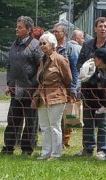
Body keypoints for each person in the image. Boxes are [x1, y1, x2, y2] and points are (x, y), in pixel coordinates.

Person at [1, 16, 42, 156]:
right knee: (12, 119)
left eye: (20, 27)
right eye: (17, 27)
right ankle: (8, 147)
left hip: (30, 90)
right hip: (15, 89)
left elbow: (41, 67)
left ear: (28, 29)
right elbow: (9, 66)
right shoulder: (14, 44)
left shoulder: (36, 45)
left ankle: (26, 149)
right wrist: (9, 83)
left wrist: (33, 85)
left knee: (30, 120)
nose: (17, 29)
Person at [76, 16, 106, 156]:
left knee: (103, 121)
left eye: (105, 26)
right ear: (95, 29)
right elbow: (78, 63)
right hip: (88, 88)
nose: (103, 29)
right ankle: (88, 148)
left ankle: (102, 149)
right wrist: (87, 68)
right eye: (100, 26)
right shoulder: (87, 45)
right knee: (88, 120)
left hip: (104, 90)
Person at [32, 32, 72, 160]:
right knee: (44, 126)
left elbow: (68, 79)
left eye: (45, 43)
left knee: (54, 126)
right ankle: (45, 152)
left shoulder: (60, 59)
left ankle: (56, 153)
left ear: (53, 45)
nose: (42, 46)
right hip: (42, 96)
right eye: (40, 43)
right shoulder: (42, 60)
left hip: (56, 96)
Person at [53, 23, 79, 147]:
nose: (55, 33)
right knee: (56, 115)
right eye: (54, 31)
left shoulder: (70, 49)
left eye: (57, 31)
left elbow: (74, 69)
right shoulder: (52, 48)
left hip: (68, 86)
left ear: (64, 33)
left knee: (69, 114)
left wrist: (74, 87)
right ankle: (57, 139)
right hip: (55, 88)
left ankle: (66, 140)